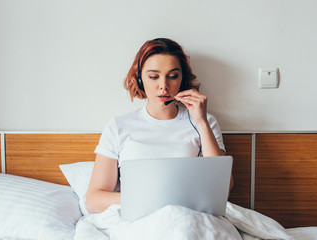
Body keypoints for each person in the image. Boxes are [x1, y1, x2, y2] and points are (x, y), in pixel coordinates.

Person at [86, 38, 233, 213]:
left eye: (172, 76)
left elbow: (223, 187)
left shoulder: (205, 122)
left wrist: (201, 122)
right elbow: (94, 200)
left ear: (182, 78)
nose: (164, 86)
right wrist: (153, 200)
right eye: (153, 77)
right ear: (140, 79)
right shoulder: (119, 126)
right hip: (137, 216)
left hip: (187, 216)